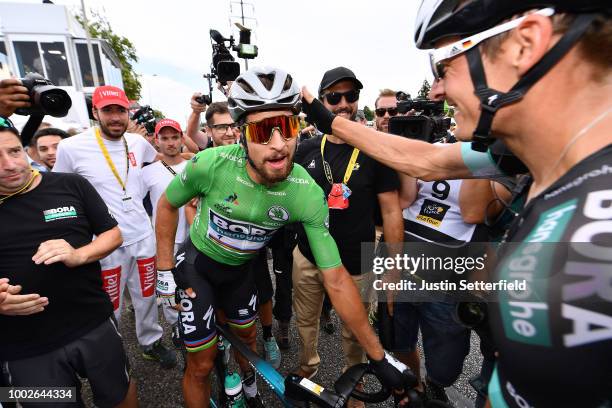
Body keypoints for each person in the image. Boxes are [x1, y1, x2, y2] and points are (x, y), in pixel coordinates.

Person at [155, 66, 412, 408]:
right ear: (242, 133)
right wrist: (163, 270)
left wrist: (379, 357)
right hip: (198, 268)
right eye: (262, 131)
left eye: (287, 128)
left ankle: (247, 385)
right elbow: (167, 204)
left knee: (248, 341)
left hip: (239, 274)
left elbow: (335, 278)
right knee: (200, 366)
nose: (278, 145)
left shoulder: (304, 191)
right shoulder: (210, 165)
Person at [0, 118, 138, 407]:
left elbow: (113, 234)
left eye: (14, 152)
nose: (9, 165)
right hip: (21, 347)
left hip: (93, 323)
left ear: (25, 150)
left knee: (120, 395)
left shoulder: (71, 184)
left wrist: (79, 255)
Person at [292, 67, 403, 408]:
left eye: (350, 96)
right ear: (321, 102)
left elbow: (392, 212)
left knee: (354, 335)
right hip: (308, 258)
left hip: (356, 264)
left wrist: (395, 267)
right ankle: (307, 375)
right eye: (334, 97)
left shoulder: (374, 151)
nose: (343, 104)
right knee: (306, 324)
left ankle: (354, 395)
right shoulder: (307, 149)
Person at [53, 85, 176, 369]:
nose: (115, 117)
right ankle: (110, 351)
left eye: (120, 110)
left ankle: (151, 342)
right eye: (108, 111)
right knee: (111, 303)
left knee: (147, 295)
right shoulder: (71, 147)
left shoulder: (138, 143)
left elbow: (156, 167)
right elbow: (61, 191)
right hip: (105, 242)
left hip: (143, 235)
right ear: (95, 112)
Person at [142, 118, 190, 348]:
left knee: (194, 286)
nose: (170, 143)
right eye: (164, 138)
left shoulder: (195, 166)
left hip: (193, 241)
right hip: (163, 244)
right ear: (156, 141)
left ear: (182, 139)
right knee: (168, 288)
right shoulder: (147, 173)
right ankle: (176, 326)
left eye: (174, 137)